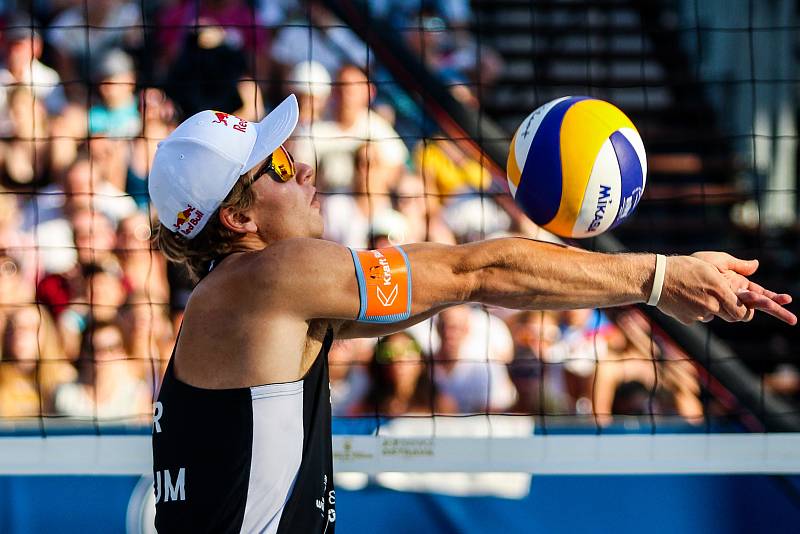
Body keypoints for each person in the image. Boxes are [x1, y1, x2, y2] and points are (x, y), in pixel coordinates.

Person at [148, 94, 796, 533]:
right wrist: (659, 277)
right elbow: (476, 269)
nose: (306, 168)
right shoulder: (268, 277)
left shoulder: (254, 306)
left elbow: (474, 284)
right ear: (238, 218)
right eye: (280, 166)